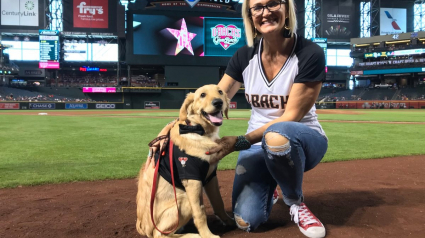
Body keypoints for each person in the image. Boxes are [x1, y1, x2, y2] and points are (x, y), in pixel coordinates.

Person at [205, 0, 328, 237]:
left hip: (302, 140)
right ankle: (271, 184)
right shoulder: (244, 55)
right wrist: (180, 126)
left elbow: (291, 117)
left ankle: (295, 202)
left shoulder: (309, 53)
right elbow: (216, 100)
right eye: (258, 7)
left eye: (273, 4)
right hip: (256, 147)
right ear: (250, 16)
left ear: (286, 9)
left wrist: (240, 142)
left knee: (277, 136)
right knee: (246, 221)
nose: (266, 12)